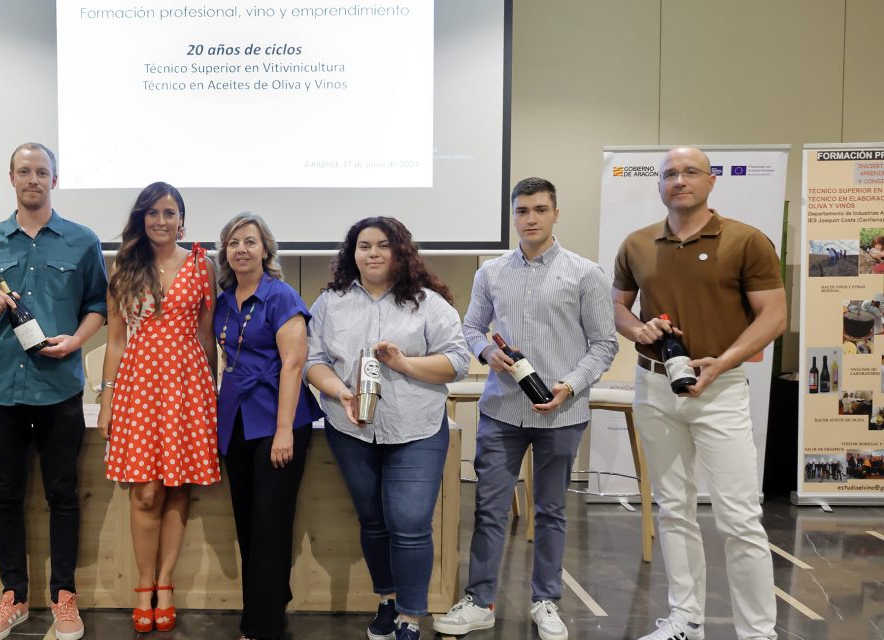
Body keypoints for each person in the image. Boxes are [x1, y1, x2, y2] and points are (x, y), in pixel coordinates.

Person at [613, 146, 786, 640]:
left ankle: (757, 632)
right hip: (654, 386)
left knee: (739, 518)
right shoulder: (637, 243)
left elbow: (774, 316)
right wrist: (635, 329)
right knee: (673, 507)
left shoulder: (746, 241)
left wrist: (723, 363)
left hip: (721, 389)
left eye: (691, 172)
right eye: (670, 174)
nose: (679, 181)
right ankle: (685, 620)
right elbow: (619, 309)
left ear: (712, 182)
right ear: (659, 185)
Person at [435, 178, 617, 640]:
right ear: (513, 216)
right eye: (521, 211)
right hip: (501, 411)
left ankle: (546, 601)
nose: (530, 218)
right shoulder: (491, 272)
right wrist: (484, 352)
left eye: (539, 209)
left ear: (556, 214)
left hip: (562, 413)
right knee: (490, 509)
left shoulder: (586, 273)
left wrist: (571, 385)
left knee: (552, 511)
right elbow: (471, 327)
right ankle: (480, 601)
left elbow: (604, 344)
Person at [0, 143, 108, 640]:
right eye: (24, 171)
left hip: (58, 389)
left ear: (54, 179)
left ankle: (63, 596)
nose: (33, 179)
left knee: (63, 495)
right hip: (2, 389)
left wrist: (77, 341)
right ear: (11, 178)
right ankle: (13, 596)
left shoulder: (81, 240)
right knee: (5, 496)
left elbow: (98, 306)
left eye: (41, 172)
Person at [305, 217, 470, 640]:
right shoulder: (330, 303)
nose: (373, 253)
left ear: (400, 252)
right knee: (373, 520)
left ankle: (411, 617)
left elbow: (458, 361)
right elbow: (313, 360)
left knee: (411, 521)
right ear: (352, 253)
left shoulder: (429, 303)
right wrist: (339, 391)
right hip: (351, 428)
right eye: (364, 246)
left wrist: (404, 363)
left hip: (415, 428)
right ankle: (387, 600)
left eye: (383, 245)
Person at [97, 181, 219, 634]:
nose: (161, 221)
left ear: (181, 219)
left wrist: (213, 397)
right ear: (141, 218)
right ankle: (143, 583)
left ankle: (165, 584)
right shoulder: (124, 266)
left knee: (180, 487)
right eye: (153, 213)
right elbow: (114, 340)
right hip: (139, 388)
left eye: (169, 212)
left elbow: (206, 335)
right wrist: (107, 399)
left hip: (188, 388)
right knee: (146, 490)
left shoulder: (201, 264)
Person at [213, 212, 324, 640]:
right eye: (234, 242)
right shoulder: (224, 300)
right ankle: (269, 605)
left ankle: (262, 626)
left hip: (279, 420)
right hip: (237, 421)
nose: (241, 249)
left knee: (271, 524)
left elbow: (294, 364)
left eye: (250, 241)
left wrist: (282, 431)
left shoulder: (281, 296)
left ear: (266, 249)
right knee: (247, 523)